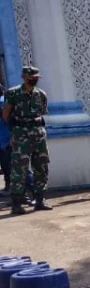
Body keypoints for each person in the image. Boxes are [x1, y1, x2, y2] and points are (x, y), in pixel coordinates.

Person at [2, 66, 50, 214]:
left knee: (41, 167)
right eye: (31, 77)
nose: (34, 79)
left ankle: (40, 200)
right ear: (23, 76)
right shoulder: (13, 93)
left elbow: (41, 113)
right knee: (19, 170)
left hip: (38, 134)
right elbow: (6, 114)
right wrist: (14, 132)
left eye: (36, 77)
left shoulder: (41, 94)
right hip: (21, 135)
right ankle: (17, 203)